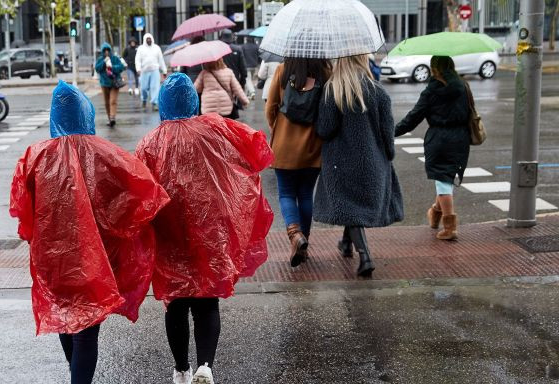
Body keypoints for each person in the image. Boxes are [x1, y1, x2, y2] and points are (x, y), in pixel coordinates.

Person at [10, 81, 170, 384]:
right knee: (87, 327)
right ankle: (79, 376)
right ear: (86, 112)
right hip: (93, 256)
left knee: (65, 316)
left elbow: (22, 210)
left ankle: (76, 371)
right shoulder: (106, 153)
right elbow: (143, 193)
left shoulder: (34, 157)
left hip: (52, 259)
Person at [136, 73, 273, 384]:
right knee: (206, 300)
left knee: (176, 303)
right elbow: (252, 151)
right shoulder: (215, 130)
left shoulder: (150, 143)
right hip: (209, 231)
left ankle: (181, 369)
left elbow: (140, 192)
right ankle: (206, 366)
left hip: (169, 234)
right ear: (193, 100)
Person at [314, 54, 404, 278]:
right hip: (371, 160)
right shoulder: (378, 91)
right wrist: (389, 155)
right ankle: (346, 243)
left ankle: (365, 257)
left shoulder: (332, 91)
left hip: (340, 162)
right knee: (352, 206)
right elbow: (387, 131)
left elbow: (325, 129)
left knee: (348, 205)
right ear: (363, 60)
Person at [395, 56, 470, 241]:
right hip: (461, 138)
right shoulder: (463, 86)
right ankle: (435, 212)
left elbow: (413, 118)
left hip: (439, 140)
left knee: (443, 182)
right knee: (446, 177)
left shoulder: (431, 91)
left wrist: (391, 132)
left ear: (434, 69)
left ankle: (450, 227)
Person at [265, 57, 331, 267]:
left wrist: (277, 128)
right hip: (313, 145)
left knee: (285, 193)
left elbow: (271, 107)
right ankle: (304, 243)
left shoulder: (283, 70)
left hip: (285, 143)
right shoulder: (324, 71)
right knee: (304, 194)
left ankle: (295, 235)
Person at [94, 43, 125, 127]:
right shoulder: (100, 59)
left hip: (114, 83)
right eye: (104, 51)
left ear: (110, 51)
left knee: (113, 101)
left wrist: (112, 67)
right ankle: (109, 118)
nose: (106, 52)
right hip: (104, 84)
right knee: (106, 102)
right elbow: (97, 69)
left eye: (108, 50)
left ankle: (112, 117)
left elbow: (121, 67)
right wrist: (104, 63)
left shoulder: (115, 58)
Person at [135, 32, 167, 111]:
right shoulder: (141, 49)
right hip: (144, 71)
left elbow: (161, 60)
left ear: (152, 39)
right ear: (145, 40)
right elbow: (137, 60)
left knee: (155, 87)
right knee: (144, 88)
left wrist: (164, 70)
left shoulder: (156, 48)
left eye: (150, 39)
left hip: (154, 71)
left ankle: (154, 103)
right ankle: (144, 100)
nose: (149, 40)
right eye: (147, 39)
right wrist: (138, 69)